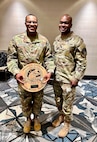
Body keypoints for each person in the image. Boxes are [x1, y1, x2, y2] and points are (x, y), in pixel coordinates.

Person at [7, 14, 54, 133]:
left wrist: (49, 71)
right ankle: (28, 119)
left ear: (37, 24)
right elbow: (11, 58)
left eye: (34, 22)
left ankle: (36, 118)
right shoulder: (16, 40)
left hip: (39, 78)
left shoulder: (44, 41)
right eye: (29, 22)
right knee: (25, 100)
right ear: (25, 23)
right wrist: (16, 73)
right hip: (23, 78)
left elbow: (49, 58)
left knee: (38, 99)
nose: (32, 24)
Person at [52, 14, 87, 138]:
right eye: (61, 22)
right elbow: (54, 58)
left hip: (68, 79)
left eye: (66, 23)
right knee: (58, 101)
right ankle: (61, 116)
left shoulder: (77, 40)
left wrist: (76, 77)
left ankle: (67, 123)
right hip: (57, 78)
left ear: (70, 25)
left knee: (67, 104)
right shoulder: (56, 39)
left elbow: (82, 62)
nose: (63, 25)